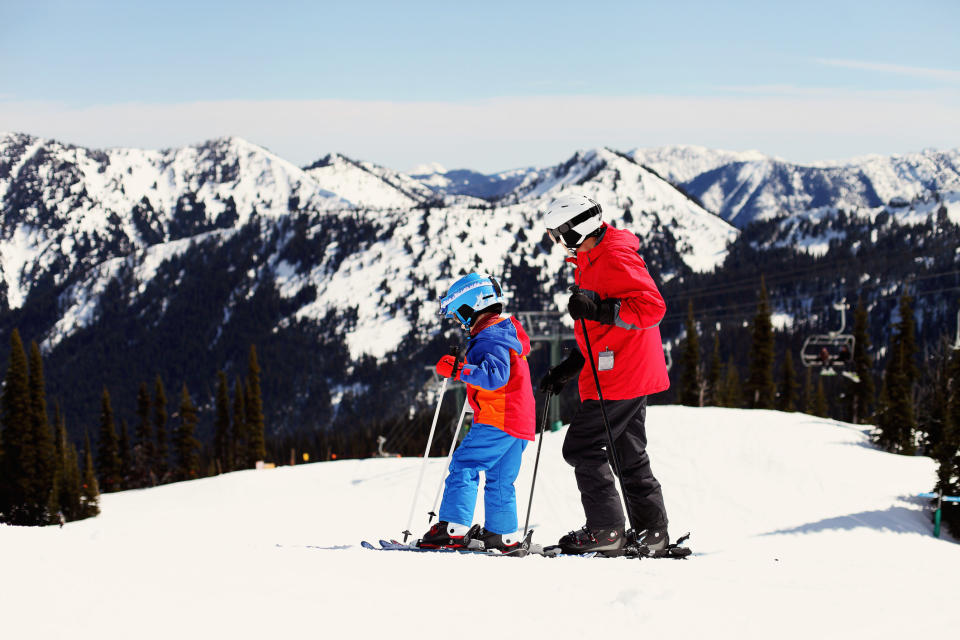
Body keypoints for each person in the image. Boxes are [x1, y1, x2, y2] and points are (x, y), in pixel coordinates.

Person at [538, 194, 671, 555]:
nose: (553, 241)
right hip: (618, 368)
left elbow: (652, 308)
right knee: (627, 453)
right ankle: (652, 533)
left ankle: (606, 530)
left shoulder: (614, 255)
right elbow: (597, 328)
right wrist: (572, 366)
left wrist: (602, 309)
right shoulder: (590, 257)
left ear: (574, 230)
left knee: (581, 446)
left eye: (556, 233)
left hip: (622, 373)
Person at [419, 272, 536, 552]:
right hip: (519, 421)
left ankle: (453, 527)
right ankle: (502, 534)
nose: (459, 320)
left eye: (460, 312)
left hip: (499, 416)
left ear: (473, 304)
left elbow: (495, 376)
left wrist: (459, 370)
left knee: (465, 464)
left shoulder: (490, 337)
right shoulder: (505, 333)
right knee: (500, 478)